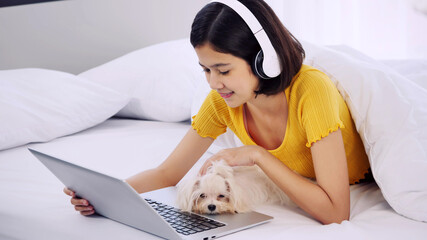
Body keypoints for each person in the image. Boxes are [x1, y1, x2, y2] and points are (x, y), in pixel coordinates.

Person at [64, 0, 371, 225]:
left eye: (223, 70)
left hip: (360, 178)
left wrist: (257, 156)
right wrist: (105, 194)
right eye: (206, 70)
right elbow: (168, 173)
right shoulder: (221, 101)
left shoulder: (311, 90)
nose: (213, 83)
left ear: (266, 61)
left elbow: (335, 212)